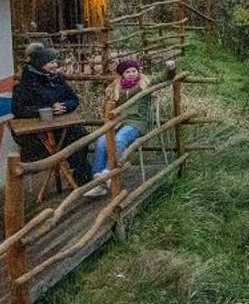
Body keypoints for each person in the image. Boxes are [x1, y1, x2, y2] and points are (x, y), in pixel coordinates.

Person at [12, 43, 92, 183]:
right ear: (40, 64)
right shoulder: (26, 85)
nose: (55, 65)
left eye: (55, 61)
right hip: (39, 133)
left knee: (82, 136)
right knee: (74, 139)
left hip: (62, 125)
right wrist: (48, 109)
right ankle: (82, 179)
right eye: (51, 62)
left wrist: (65, 107)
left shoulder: (57, 79)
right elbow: (19, 109)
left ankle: (83, 176)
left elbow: (73, 99)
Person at [85, 56, 165, 196]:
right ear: (122, 74)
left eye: (134, 70)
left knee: (120, 139)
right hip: (118, 123)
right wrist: (111, 119)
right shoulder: (115, 90)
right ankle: (97, 180)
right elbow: (107, 110)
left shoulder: (143, 85)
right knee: (102, 141)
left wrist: (170, 69)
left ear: (138, 71)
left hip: (136, 123)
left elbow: (161, 78)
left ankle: (108, 174)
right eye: (128, 72)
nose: (132, 74)